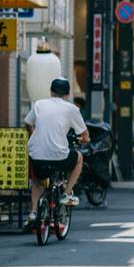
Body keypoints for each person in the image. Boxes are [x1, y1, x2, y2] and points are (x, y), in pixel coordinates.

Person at [25, 77, 89, 213]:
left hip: (36, 154)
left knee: (37, 182)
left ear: (51, 91)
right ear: (67, 94)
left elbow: (28, 123)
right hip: (59, 156)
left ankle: (33, 212)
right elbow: (85, 135)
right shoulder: (71, 109)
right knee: (79, 158)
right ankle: (66, 193)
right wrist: (84, 140)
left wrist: (33, 134)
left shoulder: (39, 104)